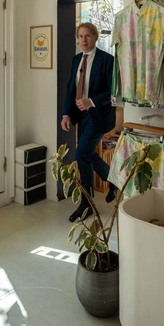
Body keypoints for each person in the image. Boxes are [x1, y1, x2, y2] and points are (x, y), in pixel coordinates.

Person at [61, 23, 119, 222]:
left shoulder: (107, 60)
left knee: (81, 154)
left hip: (99, 115)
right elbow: (71, 88)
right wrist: (66, 114)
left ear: (95, 37)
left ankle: (86, 203)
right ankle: (113, 180)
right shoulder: (76, 59)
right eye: (80, 36)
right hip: (80, 115)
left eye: (87, 36)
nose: (84, 40)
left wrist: (91, 101)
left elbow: (113, 91)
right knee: (87, 153)